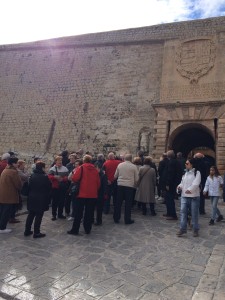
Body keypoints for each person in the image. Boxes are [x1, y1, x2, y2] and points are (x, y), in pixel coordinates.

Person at [67, 155, 100, 235]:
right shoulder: (95, 170)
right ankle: (87, 229)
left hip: (81, 193)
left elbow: (74, 178)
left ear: (84, 160)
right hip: (92, 194)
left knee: (78, 213)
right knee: (89, 213)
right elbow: (98, 183)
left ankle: (75, 230)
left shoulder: (81, 168)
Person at [24, 161, 52, 238]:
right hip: (41, 198)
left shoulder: (32, 176)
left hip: (32, 197)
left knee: (31, 214)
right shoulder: (45, 177)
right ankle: (36, 232)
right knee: (39, 216)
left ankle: (27, 230)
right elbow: (49, 188)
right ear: (42, 168)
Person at [177, 158, 201, 237]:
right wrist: (179, 187)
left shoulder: (197, 173)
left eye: (187, 163)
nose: (185, 164)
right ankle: (182, 229)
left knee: (194, 214)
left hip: (193, 196)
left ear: (191, 164)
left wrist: (190, 190)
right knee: (183, 213)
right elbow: (182, 182)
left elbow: (196, 183)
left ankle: (195, 229)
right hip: (184, 196)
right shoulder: (185, 173)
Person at [113, 154, 139, 224]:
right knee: (128, 203)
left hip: (120, 185)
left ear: (124, 158)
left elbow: (115, 176)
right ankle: (127, 219)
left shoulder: (120, 165)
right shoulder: (134, 167)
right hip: (129, 186)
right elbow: (136, 179)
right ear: (131, 159)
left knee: (118, 202)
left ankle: (116, 217)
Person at [0, 157, 23, 233]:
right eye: (17, 163)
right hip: (9, 195)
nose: (17, 164)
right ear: (13, 163)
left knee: (2, 211)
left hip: (3, 194)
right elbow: (18, 184)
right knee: (6, 212)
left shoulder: (6, 170)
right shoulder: (13, 172)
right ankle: (2, 228)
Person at [48, 156, 69, 220]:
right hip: (55, 187)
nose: (60, 162)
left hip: (62, 187)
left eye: (61, 161)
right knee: (54, 201)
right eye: (59, 161)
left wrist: (63, 179)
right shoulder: (52, 169)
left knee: (62, 201)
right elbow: (49, 177)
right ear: (56, 161)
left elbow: (67, 177)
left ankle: (60, 214)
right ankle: (54, 215)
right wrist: (55, 177)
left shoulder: (65, 168)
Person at [164, 150, 183, 220]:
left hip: (171, 184)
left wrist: (168, 184)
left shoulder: (171, 162)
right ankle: (169, 213)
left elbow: (170, 174)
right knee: (168, 198)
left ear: (168, 156)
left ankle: (173, 215)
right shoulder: (176, 162)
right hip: (174, 183)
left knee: (170, 199)